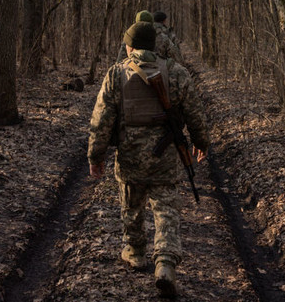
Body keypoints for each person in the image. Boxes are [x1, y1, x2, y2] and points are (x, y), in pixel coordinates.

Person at [88, 21, 210, 298]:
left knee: (131, 204)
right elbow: (195, 114)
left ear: (130, 45)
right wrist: (202, 142)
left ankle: (135, 252)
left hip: (130, 156)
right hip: (165, 157)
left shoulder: (116, 74)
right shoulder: (177, 72)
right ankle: (165, 262)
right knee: (166, 207)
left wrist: (96, 156)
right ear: (154, 45)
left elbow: (101, 120)